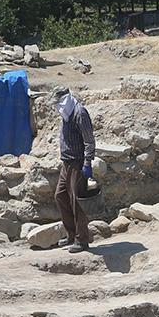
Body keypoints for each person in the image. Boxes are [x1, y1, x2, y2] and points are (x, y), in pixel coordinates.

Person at [53, 87, 95, 253]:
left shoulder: (79, 113)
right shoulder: (66, 113)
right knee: (60, 196)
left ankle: (82, 240)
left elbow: (89, 140)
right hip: (66, 162)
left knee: (77, 202)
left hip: (77, 163)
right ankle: (71, 234)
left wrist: (87, 162)